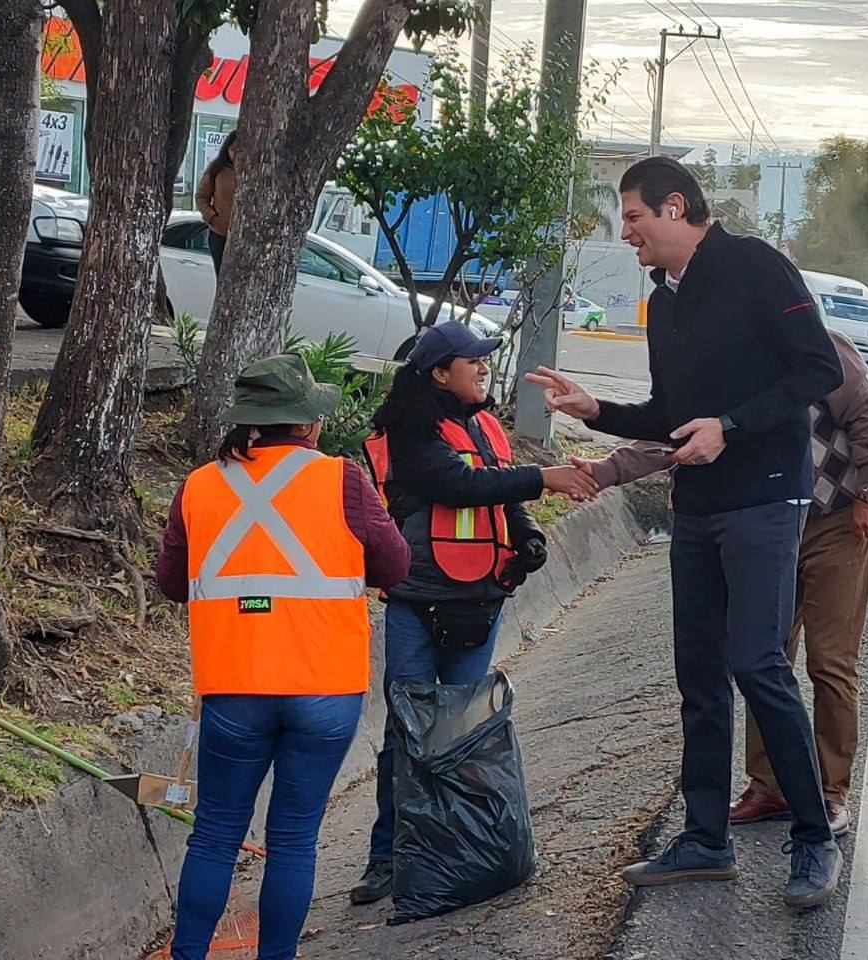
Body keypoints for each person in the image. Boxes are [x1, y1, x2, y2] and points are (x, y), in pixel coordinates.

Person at [527, 156, 845, 910]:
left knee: (758, 665)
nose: (626, 233)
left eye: (634, 217)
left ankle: (813, 838)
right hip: (696, 507)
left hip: (766, 496)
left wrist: (731, 428)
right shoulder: (661, 304)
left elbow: (817, 372)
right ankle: (705, 839)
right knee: (698, 675)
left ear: (676, 206)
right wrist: (596, 409)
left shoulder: (757, 268)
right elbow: (669, 411)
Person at [155, 353, 411, 960]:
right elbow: (396, 564)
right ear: (305, 425)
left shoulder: (199, 485)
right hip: (325, 685)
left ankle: (188, 954)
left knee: (216, 834)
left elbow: (171, 581)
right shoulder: (342, 478)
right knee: (294, 837)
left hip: (233, 685)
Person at [348, 320, 597, 906]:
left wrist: (528, 534)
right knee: (406, 731)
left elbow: (498, 492)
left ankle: (459, 850)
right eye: (472, 361)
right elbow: (454, 483)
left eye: (485, 360)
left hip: (480, 600)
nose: (484, 368)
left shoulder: (485, 426)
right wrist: (547, 478)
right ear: (440, 373)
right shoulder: (408, 430)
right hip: (418, 600)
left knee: (465, 733)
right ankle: (388, 855)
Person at [730, 329, 868, 837]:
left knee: (831, 662)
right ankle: (769, 784)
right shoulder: (727, 352)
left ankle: (830, 791)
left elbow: (867, 414)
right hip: (772, 525)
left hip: (839, 520)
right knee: (764, 658)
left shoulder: (819, 346)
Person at [195, 130, 237, 274]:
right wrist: (211, 217)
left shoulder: (256, 171)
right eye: (233, 149)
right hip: (219, 235)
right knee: (223, 278)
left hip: (243, 237)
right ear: (227, 149)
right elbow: (201, 196)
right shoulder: (216, 168)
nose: (236, 154)